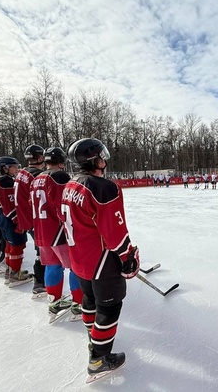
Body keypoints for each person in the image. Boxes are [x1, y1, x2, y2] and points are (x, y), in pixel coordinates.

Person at [62, 138, 140, 378]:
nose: (105, 159)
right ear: (94, 159)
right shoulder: (104, 187)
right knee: (110, 306)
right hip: (101, 260)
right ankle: (98, 359)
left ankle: (93, 340)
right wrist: (127, 255)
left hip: (80, 258)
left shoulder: (70, 184)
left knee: (90, 299)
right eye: (101, 155)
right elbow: (114, 231)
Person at [31, 147, 83, 320]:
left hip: (41, 230)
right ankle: (79, 305)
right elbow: (64, 205)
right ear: (61, 162)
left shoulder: (37, 178)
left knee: (52, 266)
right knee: (76, 266)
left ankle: (54, 303)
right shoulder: (59, 176)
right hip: (58, 231)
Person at [0, 156, 32, 287]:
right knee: (17, 246)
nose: (17, 169)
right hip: (8, 218)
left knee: (9, 245)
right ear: (5, 168)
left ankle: (10, 271)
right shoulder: (5, 181)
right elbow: (9, 204)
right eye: (14, 166)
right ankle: (14, 274)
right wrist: (17, 221)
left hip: (0, 217)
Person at [14, 145, 47, 296]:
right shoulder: (36, 175)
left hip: (25, 218)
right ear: (40, 158)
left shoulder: (22, 173)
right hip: (35, 219)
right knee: (42, 251)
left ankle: (42, 280)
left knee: (42, 249)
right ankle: (40, 283)